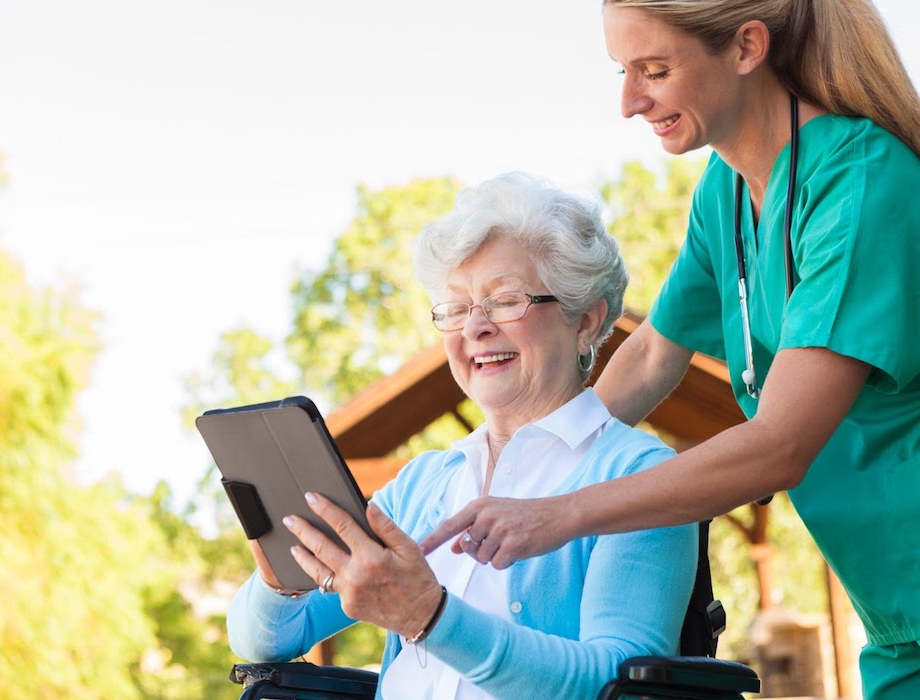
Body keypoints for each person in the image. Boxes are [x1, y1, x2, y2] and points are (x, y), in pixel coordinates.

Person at [420, 2, 920, 698]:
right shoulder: (725, 194)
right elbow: (655, 352)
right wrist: (529, 460)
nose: (628, 101)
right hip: (899, 627)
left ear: (747, 47)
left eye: (655, 71)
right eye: (623, 72)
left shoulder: (859, 182)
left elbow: (780, 444)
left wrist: (561, 512)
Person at [227, 172, 698, 700]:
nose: (475, 327)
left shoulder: (639, 474)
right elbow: (263, 642)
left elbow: (618, 683)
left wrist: (430, 617)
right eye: (456, 308)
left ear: (585, 320)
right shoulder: (423, 483)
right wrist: (277, 575)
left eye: (504, 301)